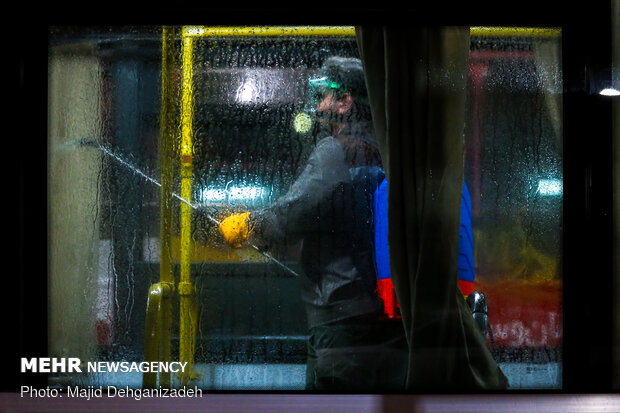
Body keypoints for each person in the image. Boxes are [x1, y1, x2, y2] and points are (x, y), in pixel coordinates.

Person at [217, 56, 409, 391]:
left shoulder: (336, 151)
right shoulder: (393, 150)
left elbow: (296, 211)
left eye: (322, 95)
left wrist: (250, 225)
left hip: (343, 316)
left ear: (344, 102)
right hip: (394, 311)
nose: (317, 105)